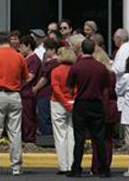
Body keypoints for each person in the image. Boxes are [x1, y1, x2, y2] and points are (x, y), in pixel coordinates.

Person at [0, 31, 29, 176]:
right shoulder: (19, 56)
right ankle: (16, 165)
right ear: (9, 41)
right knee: (15, 131)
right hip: (15, 94)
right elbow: (25, 78)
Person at [66, 38, 110, 178]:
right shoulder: (101, 67)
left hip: (81, 103)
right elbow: (106, 86)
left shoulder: (76, 67)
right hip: (96, 103)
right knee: (99, 137)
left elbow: (70, 88)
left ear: (82, 49)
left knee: (79, 138)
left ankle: (76, 168)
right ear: (93, 50)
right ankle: (104, 168)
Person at [91, 47, 117, 177]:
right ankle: (106, 164)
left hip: (100, 108)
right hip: (111, 109)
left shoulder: (98, 74)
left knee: (97, 140)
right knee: (108, 140)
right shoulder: (112, 74)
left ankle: (97, 165)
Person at [50, 46, 76, 175]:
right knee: (72, 134)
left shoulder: (56, 71)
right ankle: (72, 164)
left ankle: (63, 165)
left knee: (60, 135)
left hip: (58, 103)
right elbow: (77, 87)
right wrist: (71, 101)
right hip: (73, 102)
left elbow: (56, 88)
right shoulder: (75, 70)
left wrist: (64, 102)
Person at [32, 38, 60, 136]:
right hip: (50, 93)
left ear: (53, 50)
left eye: (47, 49)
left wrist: (35, 88)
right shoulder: (56, 62)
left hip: (45, 93)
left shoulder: (52, 63)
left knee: (44, 116)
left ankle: (47, 137)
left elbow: (45, 78)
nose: (46, 52)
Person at [19, 35, 41, 143]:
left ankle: (29, 138)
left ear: (28, 46)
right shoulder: (23, 59)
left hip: (28, 93)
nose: (20, 49)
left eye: (22, 46)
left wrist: (17, 84)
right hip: (21, 93)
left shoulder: (34, 60)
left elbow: (29, 77)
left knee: (28, 116)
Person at [112, 28, 129, 116]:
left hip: (123, 87)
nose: (113, 40)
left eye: (114, 38)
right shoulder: (126, 48)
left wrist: (109, 67)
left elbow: (120, 68)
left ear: (119, 38)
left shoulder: (124, 50)